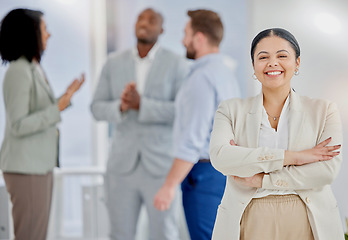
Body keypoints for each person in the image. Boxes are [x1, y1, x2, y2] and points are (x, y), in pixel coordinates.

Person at [209, 28, 344, 240]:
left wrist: (261, 180)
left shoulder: (324, 110)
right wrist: (295, 157)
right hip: (248, 217)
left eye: (282, 56)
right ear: (253, 66)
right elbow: (220, 157)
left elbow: (326, 171)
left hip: (307, 218)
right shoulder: (230, 110)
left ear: (297, 63)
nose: (272, 63)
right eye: (263, 57)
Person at [90, 8, 189, 240]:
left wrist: (142, 105)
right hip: (121, 167)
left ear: (162, 29)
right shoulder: (113, 63)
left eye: (152, 20)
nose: (144, 23)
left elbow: (182, 111)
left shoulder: (177, 64)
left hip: (160, 167)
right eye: (140, 19)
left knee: (164, 233)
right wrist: (121, 106)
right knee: (119, 234)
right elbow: (96, 108)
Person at [154, 9, 241, 240]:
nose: (183, 40)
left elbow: (193, 140)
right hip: (222, 173)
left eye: (186, 33)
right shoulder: (225, 73)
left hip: (203, 175)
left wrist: (169, 185)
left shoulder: (201, 79)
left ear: (199, 38)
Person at [0, 8, 84, 240]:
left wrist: (64, 98)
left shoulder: (32, 68)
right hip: (26, 169)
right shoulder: (19, 71)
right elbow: (18, 124)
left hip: (37, 166)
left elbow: (38, 112)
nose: (49, 35)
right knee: (30, 235)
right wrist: (56, 108)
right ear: (30, 33)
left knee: (36, 233)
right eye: (45, 29)